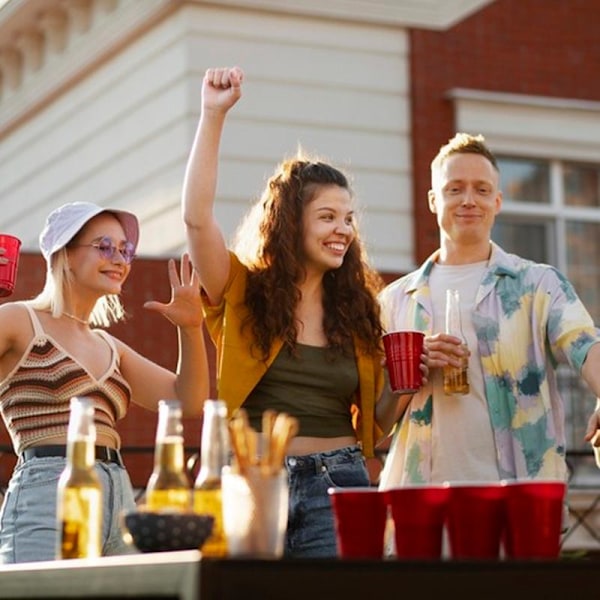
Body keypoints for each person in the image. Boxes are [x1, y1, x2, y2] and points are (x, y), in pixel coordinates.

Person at [181, 66, 414, 557]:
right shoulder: (240, 289)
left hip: (340, 482)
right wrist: (212, 115)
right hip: (252, 483)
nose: (343, 230)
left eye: (348, 218)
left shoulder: (358, 311)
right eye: (327, 217)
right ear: (290, 225)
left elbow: (378, 421)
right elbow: (197, 218)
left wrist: (411, 382)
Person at [378, 132, 600, 492]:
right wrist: (407, 375)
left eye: (481, 190)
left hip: (518, 501)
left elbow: (586, 345)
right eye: (455, 189)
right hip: (418, 503)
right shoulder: (394, 301)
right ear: (434, 200)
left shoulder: (538, 284)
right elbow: (376, 423)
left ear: (497, 201)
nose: (468, 200)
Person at [0, 201, 210, 564]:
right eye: (105, 247)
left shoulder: (111, 347)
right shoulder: (20, 320)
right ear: (64, 254)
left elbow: (186, 400)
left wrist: (191, 328)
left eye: (125, 250)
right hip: (49, 489)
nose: (120, 259)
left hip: (120, 496)